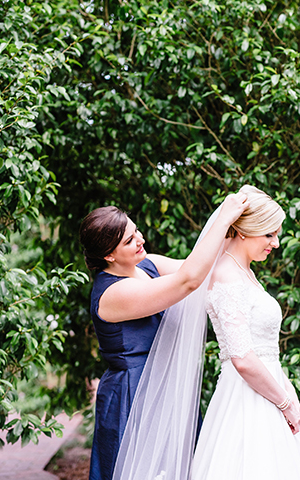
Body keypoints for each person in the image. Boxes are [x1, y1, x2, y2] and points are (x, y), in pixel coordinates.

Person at [79, 193, 248, 480]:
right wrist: (221, 218)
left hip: (166, 387)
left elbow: (204, 267)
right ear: (108, 255)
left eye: (136, 231)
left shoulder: (148, 265)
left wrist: (241, 229)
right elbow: (189, 280)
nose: (140, 240)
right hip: (132, 397)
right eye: (129, 241)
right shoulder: (112, 294)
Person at [190, 185, 300, 479]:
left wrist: (286, 388)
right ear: (244, 231)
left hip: (267, 389)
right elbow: (242, 357)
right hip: (245, 399)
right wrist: (286, 402)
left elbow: (263, 350)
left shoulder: (244, 271)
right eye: (269, 234)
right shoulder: (227, 276)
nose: (275, 243)